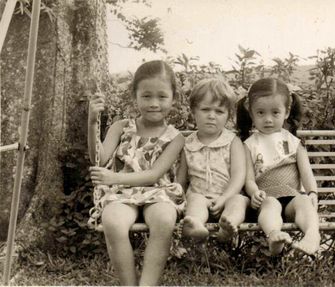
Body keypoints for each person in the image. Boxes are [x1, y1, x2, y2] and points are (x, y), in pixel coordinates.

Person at [87, 60, 185, 286]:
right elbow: (98, 159)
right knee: (112, 220)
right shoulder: (120, 127)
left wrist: (115, 177)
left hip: (158, 192)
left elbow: (154, 175)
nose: (154, 103)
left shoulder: (175, 137)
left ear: (173, 99)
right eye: (147, 96)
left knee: (164, 219)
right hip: (121, 194)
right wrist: (92, 122)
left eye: (162, 97)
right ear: (135, 97)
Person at [237, 78, 320, 256]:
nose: (268, 119)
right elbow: (249, 178)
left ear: (287, 112)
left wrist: (312, 192)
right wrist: (254, 193)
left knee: (304, 202)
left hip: (291, 198)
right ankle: (274, 236)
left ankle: (312, 234)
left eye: (275, 113)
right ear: (251, 113)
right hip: (265, 197)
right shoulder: (249, 145)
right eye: (260, 113)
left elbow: (306, 174)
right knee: (271, 205)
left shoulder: (294, 142)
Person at [177, 78, 249, 242]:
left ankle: (228, 226)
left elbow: (239, 176)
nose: (211, 116)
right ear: (194, 111)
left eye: (219, 111)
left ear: (228, 116)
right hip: (199, 195)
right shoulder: (187, 143)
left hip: (229, 196)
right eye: (205, 109)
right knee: (195, 200)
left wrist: (224, 198)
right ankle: (196, 225)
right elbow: (181, 179)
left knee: (238, 202)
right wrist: (179, 199)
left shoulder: (233, 142)